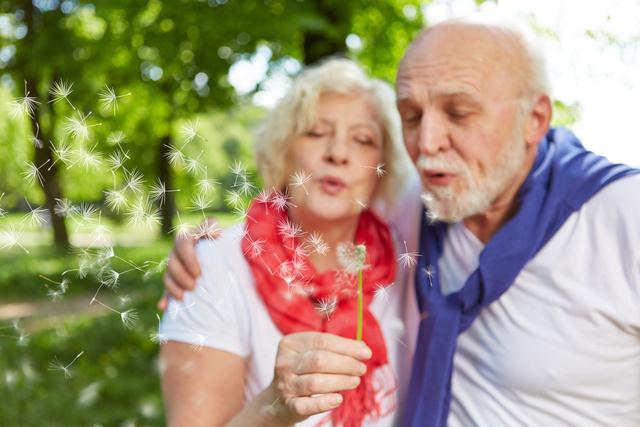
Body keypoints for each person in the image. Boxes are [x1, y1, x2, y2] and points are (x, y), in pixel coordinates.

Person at [163, 14, 640, 427]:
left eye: (458, 111)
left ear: (536, 119)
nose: (427, 142)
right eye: (411, 116)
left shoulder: (621, 213)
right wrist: (205, 243)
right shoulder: (430, 198)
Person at [159, 57, 419, 427]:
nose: (338, 153)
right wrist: (274, 407)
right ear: (283, 148)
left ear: (384, 166)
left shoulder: (407, 255)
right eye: (315, 132)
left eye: (363, 140)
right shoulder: (212, 266)